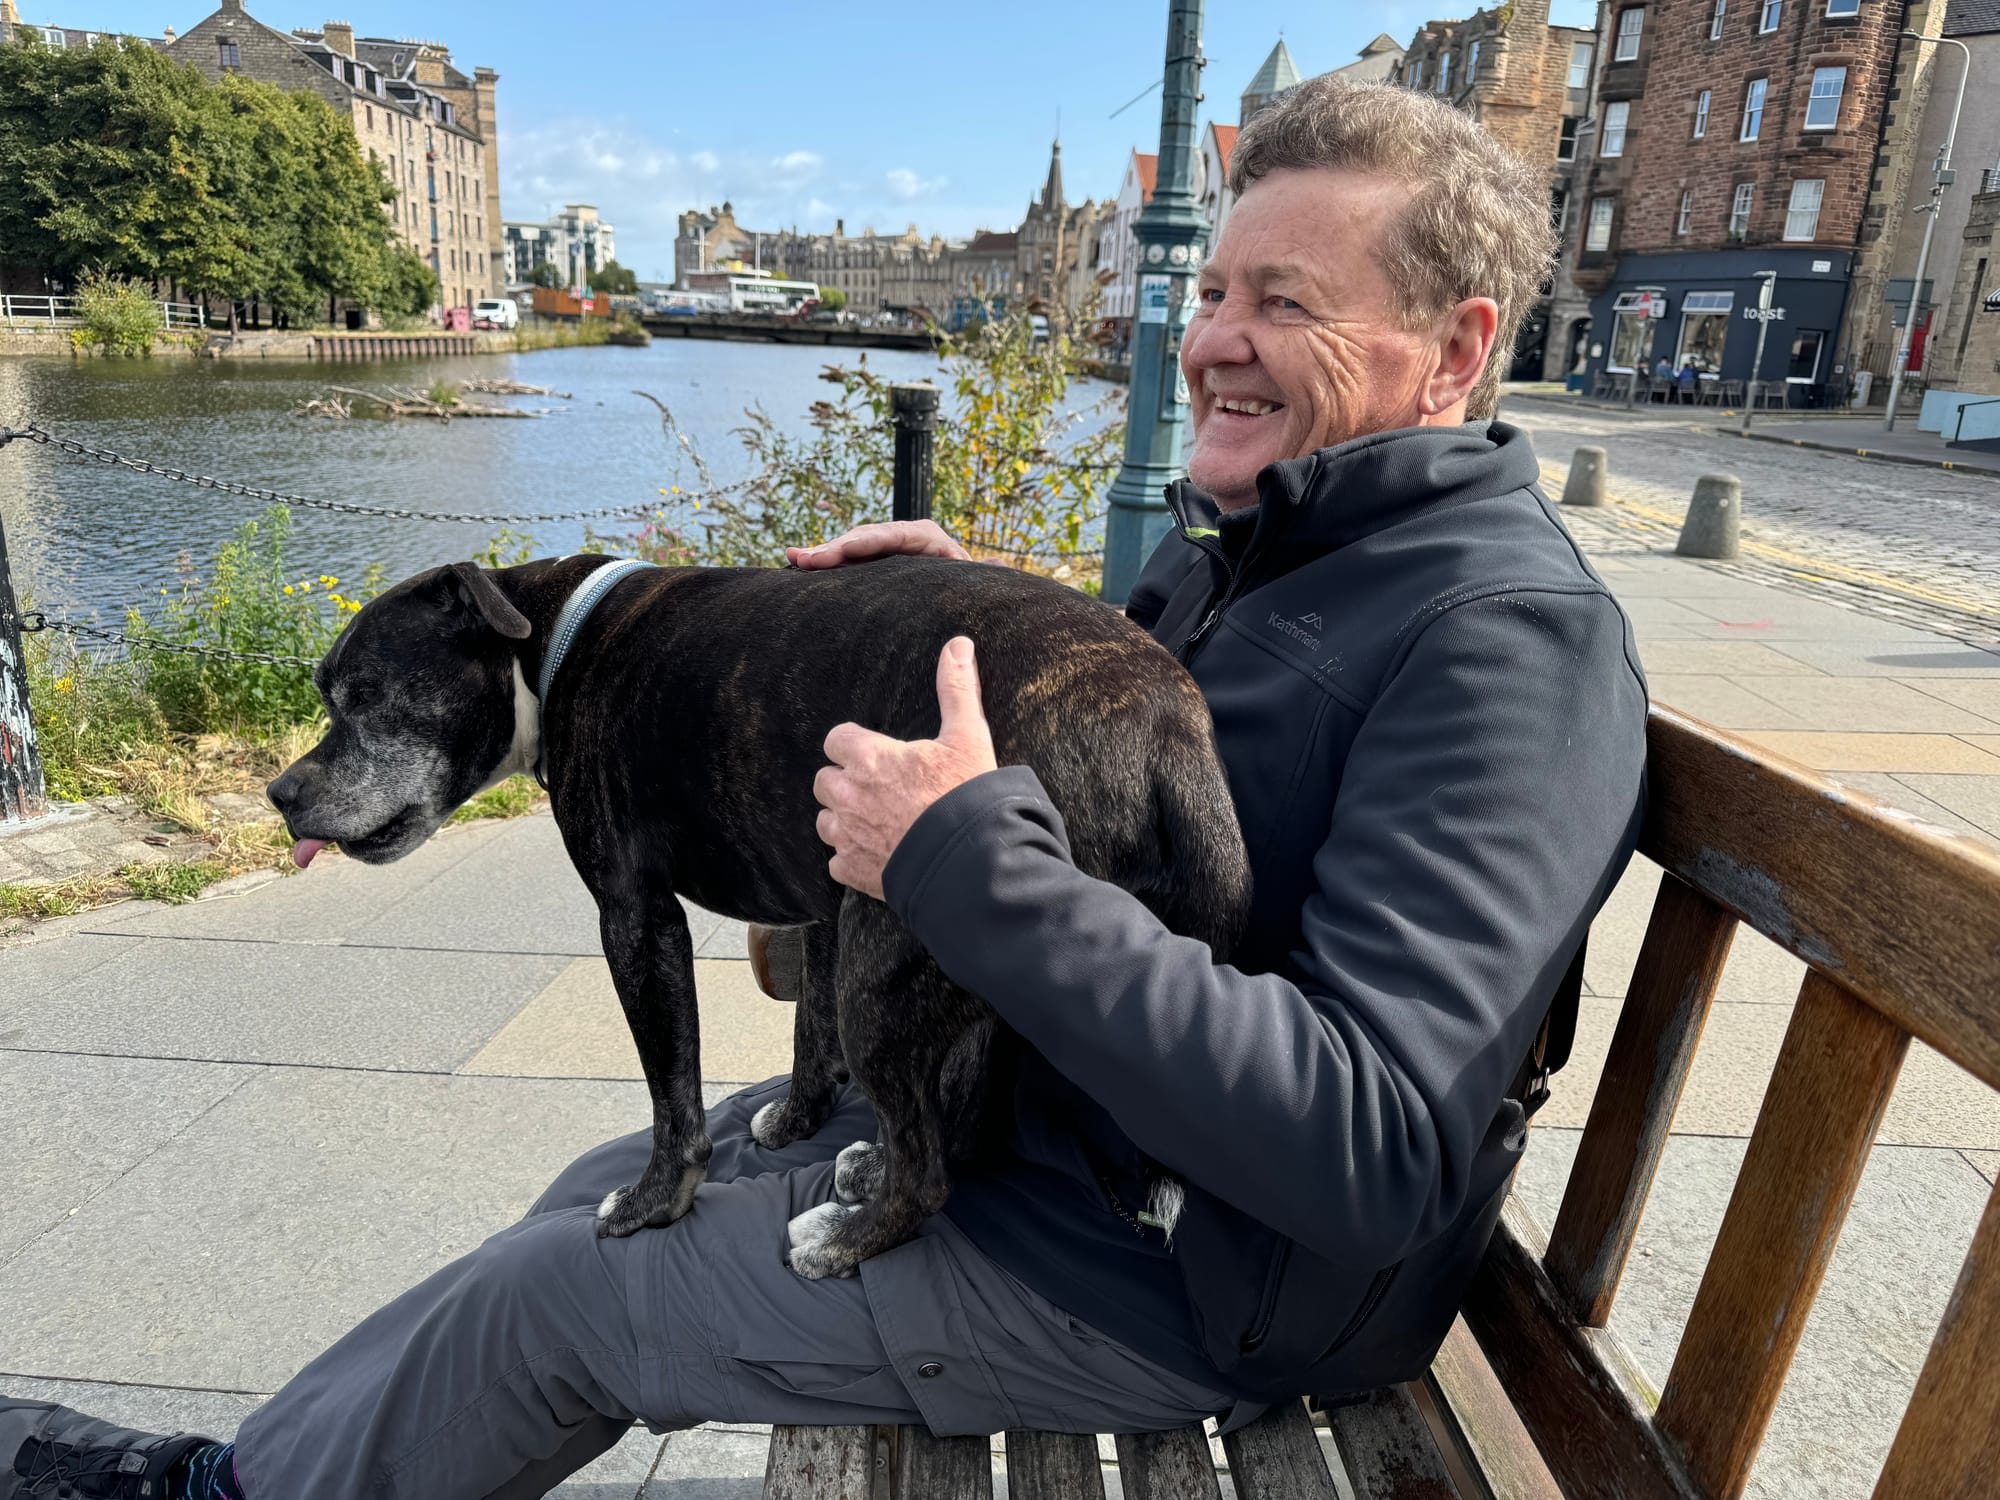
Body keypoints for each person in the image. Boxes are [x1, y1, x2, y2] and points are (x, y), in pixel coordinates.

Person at [1, 75, 1648, 1500]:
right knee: (583, 1201)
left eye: (1284, 303)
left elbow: (1371, 1153)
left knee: (558, 1293)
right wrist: (972, 618)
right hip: (1049, 1144)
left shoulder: (1507, 649)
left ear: (1457, 348)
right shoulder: (1279, 558)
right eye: (1215, 288)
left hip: (1164, 1280)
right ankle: (267, 1476)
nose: (1214, 338)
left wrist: (968, 865)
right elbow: (1152, 795)